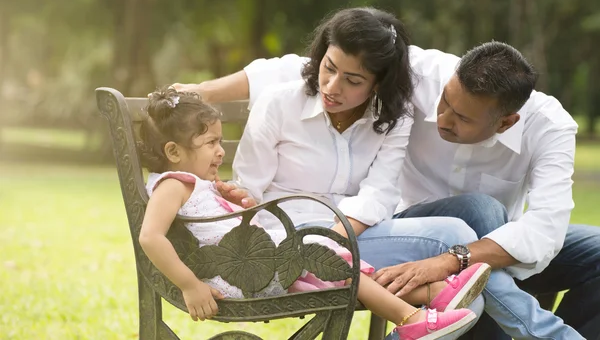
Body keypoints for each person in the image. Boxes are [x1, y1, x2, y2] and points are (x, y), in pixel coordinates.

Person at [173, 20, 596, 338]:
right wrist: (203, 91)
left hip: (487, 247)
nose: (441, 117)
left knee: (583, 246)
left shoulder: (551, 128)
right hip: (408, 227)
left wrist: (452, 259)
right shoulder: (421, 75)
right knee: (478, 210)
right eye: (444, 102)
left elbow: (543, 230)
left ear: (506, 122)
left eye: (461, 117)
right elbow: (306, 68)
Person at [135, 87, 490, 340]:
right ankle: (413, 319)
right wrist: (190, 286)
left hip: (260, 263)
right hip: (240, 277)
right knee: (331, 257)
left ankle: (435, 295)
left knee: (340, 268)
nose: (219, 152)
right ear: (173, 151)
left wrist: (240, 202)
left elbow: (215, 224)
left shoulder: (196, 184)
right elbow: (150, 236)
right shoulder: (173, 185)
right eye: (211, 143)